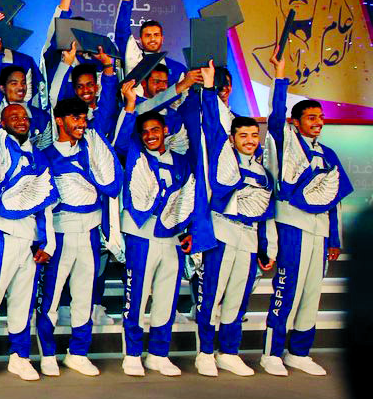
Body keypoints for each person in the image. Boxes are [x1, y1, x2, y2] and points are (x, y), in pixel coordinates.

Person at [0, 56, 58, 382]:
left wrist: (47, 240)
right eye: (13, 116)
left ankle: (20, 355)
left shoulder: (38, 153)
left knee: (23, 298)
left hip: (28, 235)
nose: (20, 119)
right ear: (2, 121)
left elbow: (46, 198)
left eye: (23, 116)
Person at [261, 51, 351, 376]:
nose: (318, 122)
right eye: (311, 118)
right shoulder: (285, 144)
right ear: (296, 122)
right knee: (289, 289)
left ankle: (298, 351)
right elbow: (274, 117)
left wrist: (335, 237)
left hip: (319, 231)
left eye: (320, 118)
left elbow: (335, 200)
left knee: (312, 292)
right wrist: (280, 77)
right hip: (291, 227)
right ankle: (271, 352)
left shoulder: (329, 154)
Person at [115, 82, 201, 377]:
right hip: (141, 234)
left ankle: (159, 353)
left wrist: (190, 231)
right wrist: (130, 106)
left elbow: (191, 196)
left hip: (173, 237)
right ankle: (133, 353)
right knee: (137, 297)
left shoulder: (182, 161)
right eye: (145, 132)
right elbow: (121, 142)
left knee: (167, 295)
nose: (151, 135)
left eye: (156, 130)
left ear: (166, 131)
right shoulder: (134, 155)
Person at [196, 61, 276, 377]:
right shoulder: (224, 156)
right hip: (223, 234)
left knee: (238, 297)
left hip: (248, 238)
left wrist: (264, 249)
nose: (250, 140)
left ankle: (228, 350)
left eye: (254, 136)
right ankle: (204, 352)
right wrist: (208, 87)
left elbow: (264, 213)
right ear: (232, 138)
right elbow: (213, 126)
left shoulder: (263, 173)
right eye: (243, 135)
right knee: (213, 294)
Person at [35, 94, 121, 377]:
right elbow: (42, 203)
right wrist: (45, 241)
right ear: (60, 121)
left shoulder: (92, 150)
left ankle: (78, 352)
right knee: (51, 297)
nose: (81, 123)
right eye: (75, 118)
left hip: (90, 232)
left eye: (84, 118)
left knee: (84, 296)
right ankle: (48, 354)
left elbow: (109, 181)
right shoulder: (45, 155)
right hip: (60, 232)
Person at [112, 0, 186, 89]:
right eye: (148, 35)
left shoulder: (178, 69)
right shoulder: (133, 57)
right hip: (135, 106)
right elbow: (122, 30)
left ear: (162, 38)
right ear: (140, 40)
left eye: (156, 35)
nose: (152, 39)